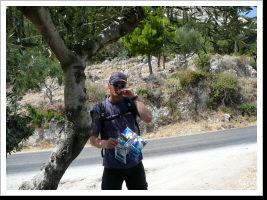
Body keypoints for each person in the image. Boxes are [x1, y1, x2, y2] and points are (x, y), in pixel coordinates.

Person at [90, 71, 152, 190]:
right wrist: (104, 143)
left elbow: (148, 118)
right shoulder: (99, 109)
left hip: (135, 162)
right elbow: (92, 139)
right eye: (115, 84)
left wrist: (134, 97)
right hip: (112, 166)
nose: (119, 88)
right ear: (109, 85)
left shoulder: (130, 103)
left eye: (122, 85)